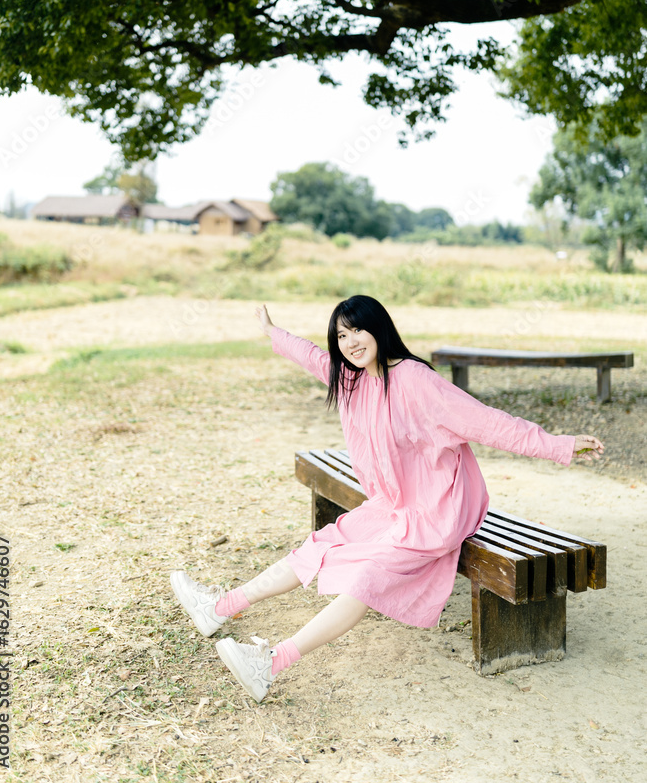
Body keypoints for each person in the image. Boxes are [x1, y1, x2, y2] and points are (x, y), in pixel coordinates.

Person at [170, 295, 604, 703]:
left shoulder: (416, 381)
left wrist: (560, 445)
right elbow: (312, 357)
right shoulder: (351, 380)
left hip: (439, 509)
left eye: (357, 330)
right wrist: (272, 332)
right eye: (341, 335)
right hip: (395, 505)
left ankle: (270, 663)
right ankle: (220, 607)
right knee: (324, 542)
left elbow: (489, 423)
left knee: (366, 577)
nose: (350, 342)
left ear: (379, 329)